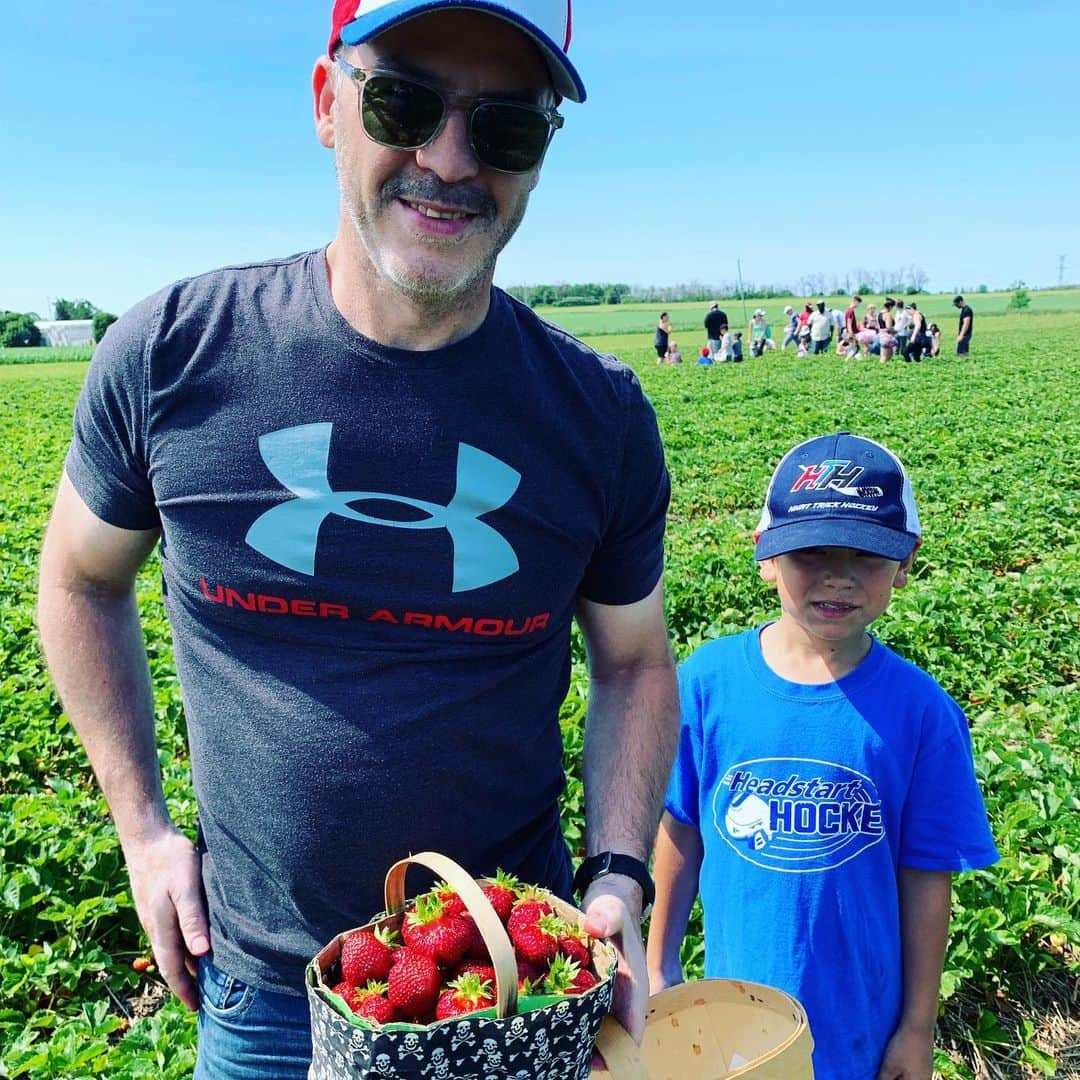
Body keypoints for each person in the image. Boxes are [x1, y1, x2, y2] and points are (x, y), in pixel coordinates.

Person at [36, 3, 680, 1076]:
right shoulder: (174, 356)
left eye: (506, 128)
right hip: (260, 994)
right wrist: (142, 829)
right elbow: (76, 580)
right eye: (405, 102)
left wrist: (619, 870)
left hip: (513, 989)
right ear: (328, 103)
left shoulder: (597, 416)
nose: (449, 159)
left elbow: (636, 658)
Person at [646, 431, 999, 1080]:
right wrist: (658, 962)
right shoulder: (707, 684)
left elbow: (926, 880)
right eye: (811, 552)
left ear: (905, 562)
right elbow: (681, 830)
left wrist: (917, 1027)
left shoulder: (923, 714)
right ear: (766, 557)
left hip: (859, 1034)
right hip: (730, 1029)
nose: (839, 576)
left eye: (865, 555)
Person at [879, 298, 898, 363]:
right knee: (887, 356)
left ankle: (881, 369)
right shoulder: (888, 314)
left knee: (883, 356)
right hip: (887, 337)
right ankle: (882, 370)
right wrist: (895, 330)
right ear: (890, 306)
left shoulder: (880, 313)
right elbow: (889, 327)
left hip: (882, 336)